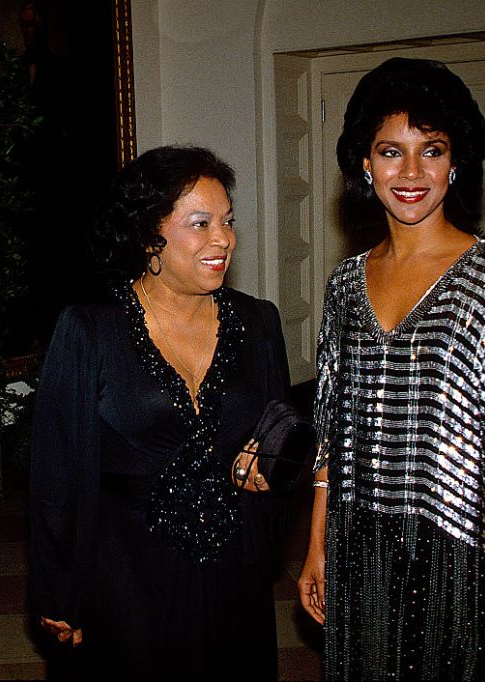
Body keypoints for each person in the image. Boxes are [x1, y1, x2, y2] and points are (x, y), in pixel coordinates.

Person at [297, 57, 485, 680]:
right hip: (357, 545)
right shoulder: (344, 286)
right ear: (364, 162)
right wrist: (317, 547)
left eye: (431, 150)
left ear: (456, 162)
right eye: (390, 151)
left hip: (453, 549)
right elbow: (331, 433)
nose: (410, 173)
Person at [29, 145, 291, 679]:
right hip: (126, 579)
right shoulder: (89, 331)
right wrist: (62, 590)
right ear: (149, 233)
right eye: (201, 223)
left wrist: (270, 462)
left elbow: (279, 426)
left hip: (233, 572)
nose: (224, 239)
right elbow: (59, 477)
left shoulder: (260, 322)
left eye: (227, 221)